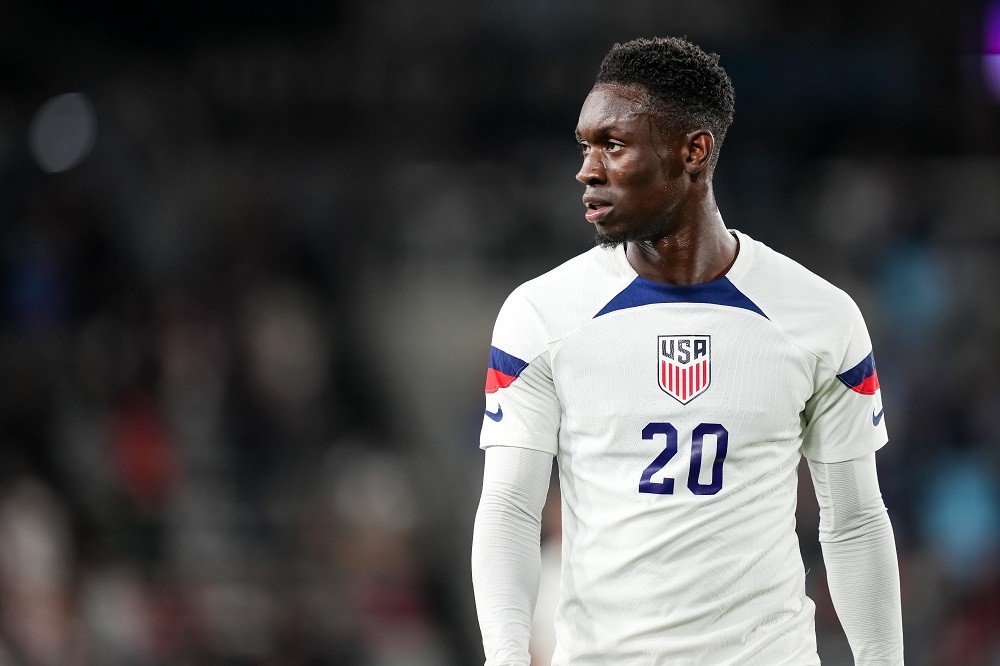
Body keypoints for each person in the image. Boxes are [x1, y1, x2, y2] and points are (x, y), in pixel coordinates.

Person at [471, 36, 904, 665]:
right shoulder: (540, 315)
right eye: (585, 146)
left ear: (693, 152)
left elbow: (856, 521)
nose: (587, 169)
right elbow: (510, 507)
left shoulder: (821, 318)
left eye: (612, 146)